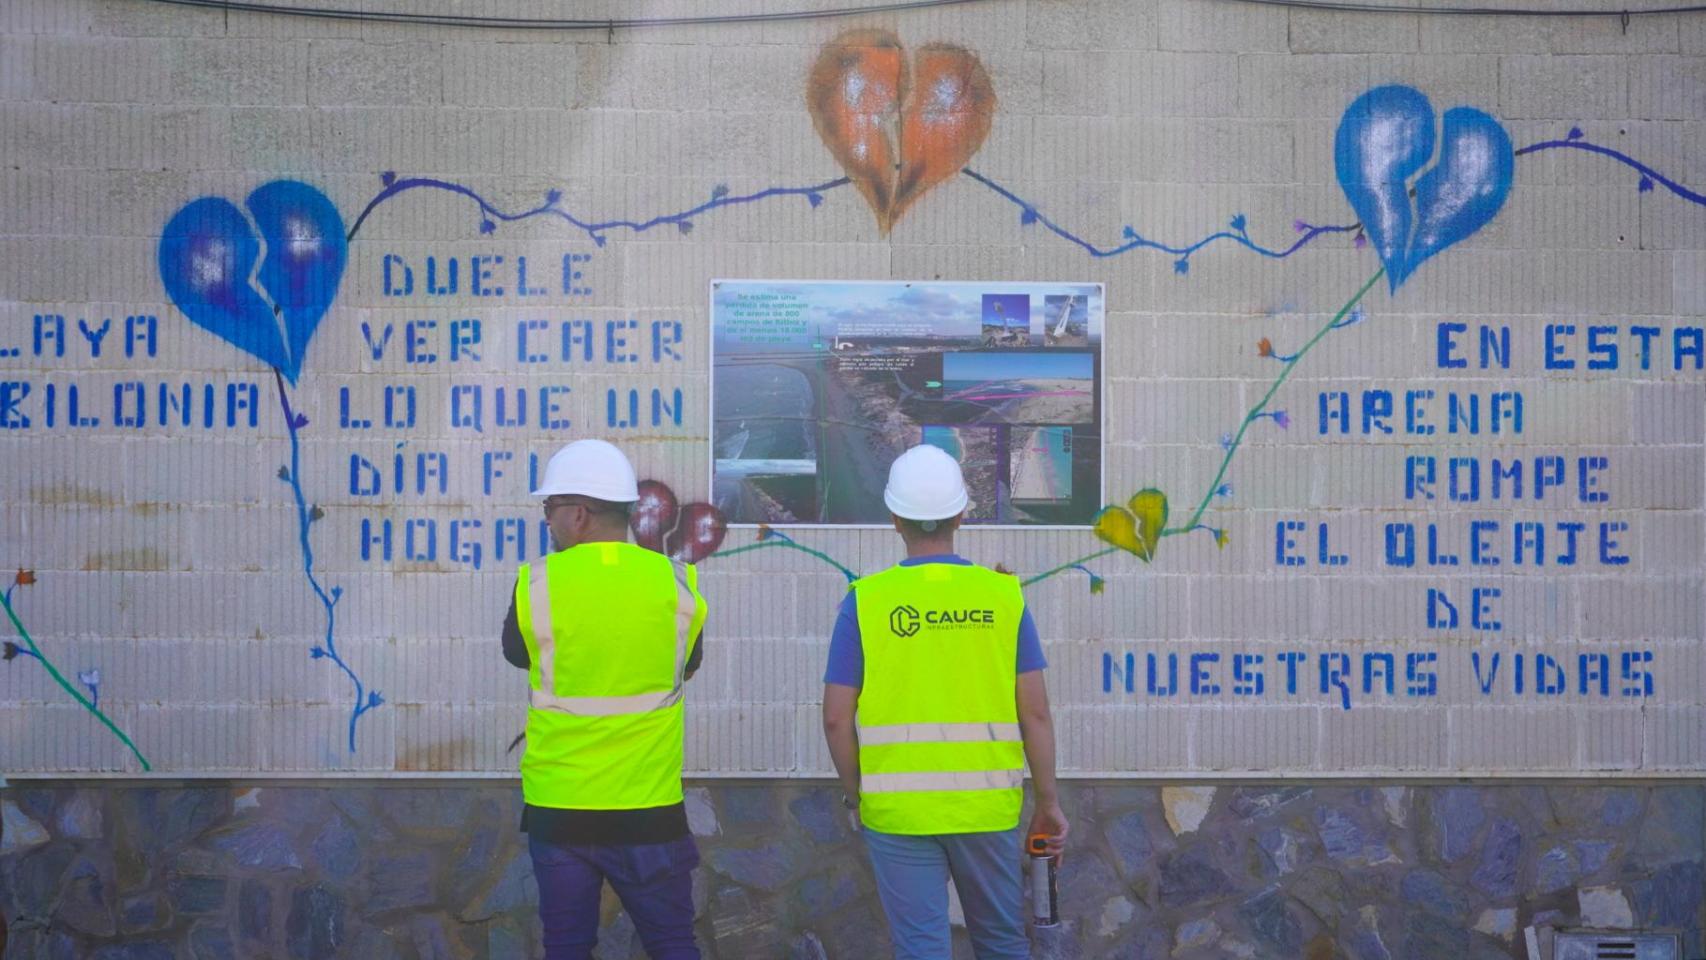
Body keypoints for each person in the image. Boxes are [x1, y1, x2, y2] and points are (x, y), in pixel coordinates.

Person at [821, 444, 1069, 960]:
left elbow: (836, 719)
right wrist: (1048, 803)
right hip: (985, 807)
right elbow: (1036, 713)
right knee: (1002, 944)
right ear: (960, 515)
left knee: (921, 949)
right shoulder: (1002, 596)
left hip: (898, 813)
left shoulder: (865, 600)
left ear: (894, 519)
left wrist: (855, 794)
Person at [501, 439, 709, 960]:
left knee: (567, 947)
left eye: (549, 508)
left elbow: (517, 654)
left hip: (560, 808)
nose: (547, 521)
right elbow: (687, 663)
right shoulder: (675, 582)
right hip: (649, 807)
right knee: (672, 944)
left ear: (578, 514)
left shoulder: (537, 584)